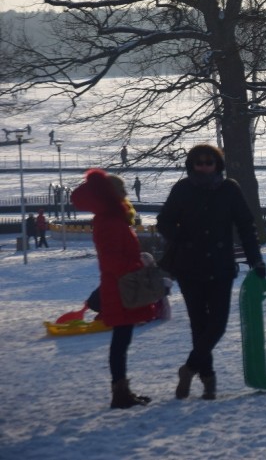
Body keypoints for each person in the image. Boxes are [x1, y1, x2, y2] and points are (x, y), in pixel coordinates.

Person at [156, 144, 266, 401]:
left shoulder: (230, 189)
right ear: (191, 165)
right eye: (198, 162)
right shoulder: (183, 189)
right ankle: (208, 381)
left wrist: (256, 260)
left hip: (221, 266)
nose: (204, 166)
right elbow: (164, 221)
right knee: (199, 325)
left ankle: (189, 368)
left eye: (209, 162)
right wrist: (180, 236)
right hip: (189, 267)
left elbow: (246, 226)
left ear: (218, 164)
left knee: (217, 325)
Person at [70, 169, 156, 409]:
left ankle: (122, 390)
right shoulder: (109, 220)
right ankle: (120, 392)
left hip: (120, 285)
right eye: (122, 190)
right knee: (120, 341)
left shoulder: (113, 217)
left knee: (122, 340)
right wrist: (136, 266)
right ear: (112, 194)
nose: (126, 194)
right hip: (120, 287)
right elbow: (110, 259)